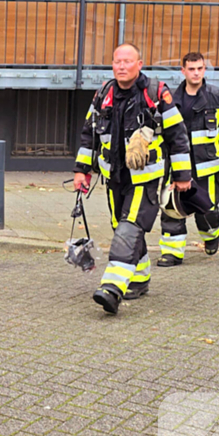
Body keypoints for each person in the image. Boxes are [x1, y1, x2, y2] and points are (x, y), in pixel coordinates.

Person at [73, 43, 192, 316]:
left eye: (128, 61)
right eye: (117, 61)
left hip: (146, 179)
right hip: (114, 178)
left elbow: (177, 135)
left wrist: (183, 177)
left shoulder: (156, 93)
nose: (122, 66)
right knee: (120, 226)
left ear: (140, 64)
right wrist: (82, 171)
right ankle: (138, 279)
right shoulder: (102, 94)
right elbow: (87, 135)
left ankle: (112, 288)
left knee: (129, 228)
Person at [157, 52, 219, 266]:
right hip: (176, 166)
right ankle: (172, 253)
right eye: (191, 69)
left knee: (207, 209)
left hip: (207, 166)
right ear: (183, 71)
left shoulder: (218, 97)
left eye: (200, 68)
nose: (196, 73)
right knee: (172, 209)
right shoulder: (170, 99)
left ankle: (212, 235)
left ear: (204, 70)